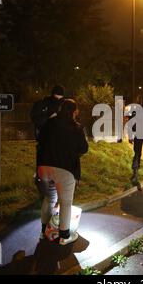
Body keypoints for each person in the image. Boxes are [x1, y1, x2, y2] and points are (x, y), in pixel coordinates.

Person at [36, 99, 89, 245]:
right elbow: (84, 149)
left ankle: (43, 231)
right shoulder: (76, 128)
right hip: (65, 170)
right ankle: (64, 237)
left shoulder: (48, 123)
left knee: (49, 199)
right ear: (74, 111)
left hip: (44, 167)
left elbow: (39, 139)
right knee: (66, 203)